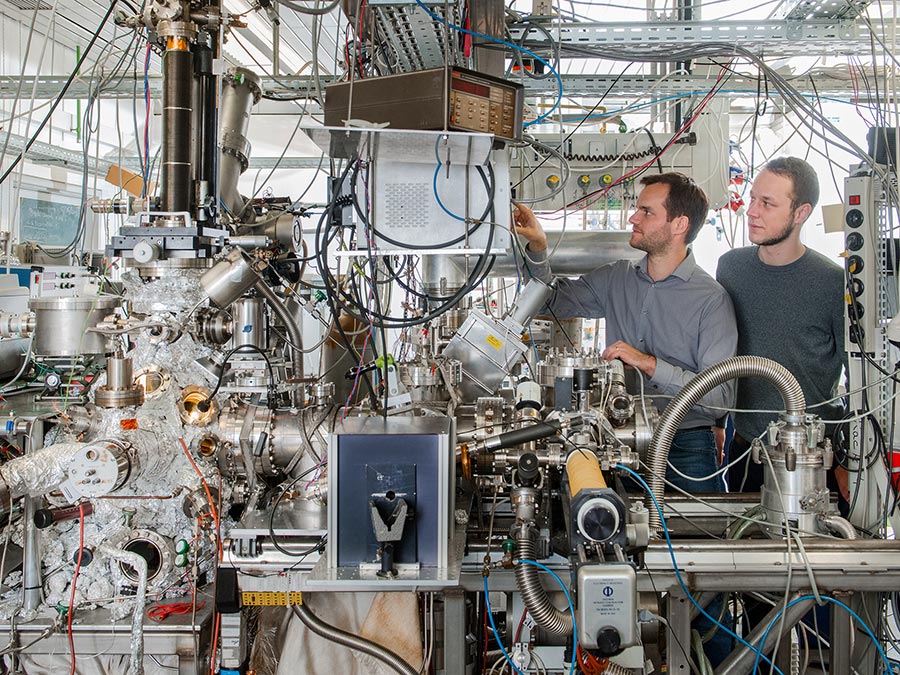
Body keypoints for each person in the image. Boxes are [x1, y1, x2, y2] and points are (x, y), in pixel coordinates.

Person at [514, 172, 738, 493]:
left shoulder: (712, 300)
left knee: (695, 538)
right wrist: (538, 245)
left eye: (647, 212)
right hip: (621, 439)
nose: (634, 217)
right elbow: (551, 303)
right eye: (637, 208)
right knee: (618, 535)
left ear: (679, 225)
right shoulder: (616, 279)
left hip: (686, 446)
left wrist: (649, 363)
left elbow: (720, 400)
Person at [716, 157, 847, 496]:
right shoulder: (731, 269)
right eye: (753, 198)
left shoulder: (833, 283)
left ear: (800, 213)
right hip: (747, 447)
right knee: (743, 543)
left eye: (767, 203)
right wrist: (718, 425)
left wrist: (848, 462)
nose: (751, 210)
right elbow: (719, 352)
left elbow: (857, 373)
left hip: (815, 457)